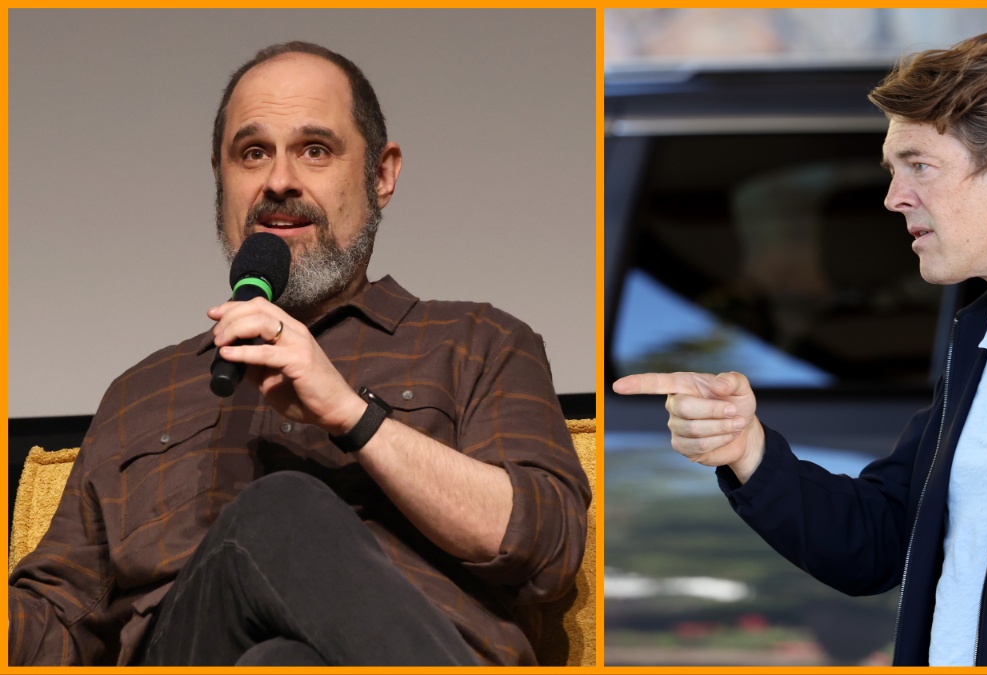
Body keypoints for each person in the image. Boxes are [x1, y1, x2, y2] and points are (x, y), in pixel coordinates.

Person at [614, 31, 987, 666]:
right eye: (894, 171)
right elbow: (884, 539)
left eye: (919, 165)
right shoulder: (981, 338)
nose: (893, 197)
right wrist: (748, 450)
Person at [9, 42, 590, 667]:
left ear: (382, 174)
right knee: (277, 518)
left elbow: (546, 547)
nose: (279, 181)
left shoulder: (478, 342)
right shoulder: (139, 393)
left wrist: (354, 417)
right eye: (252, 153)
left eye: (315, 150)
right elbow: (54, 628)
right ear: (219, 176)